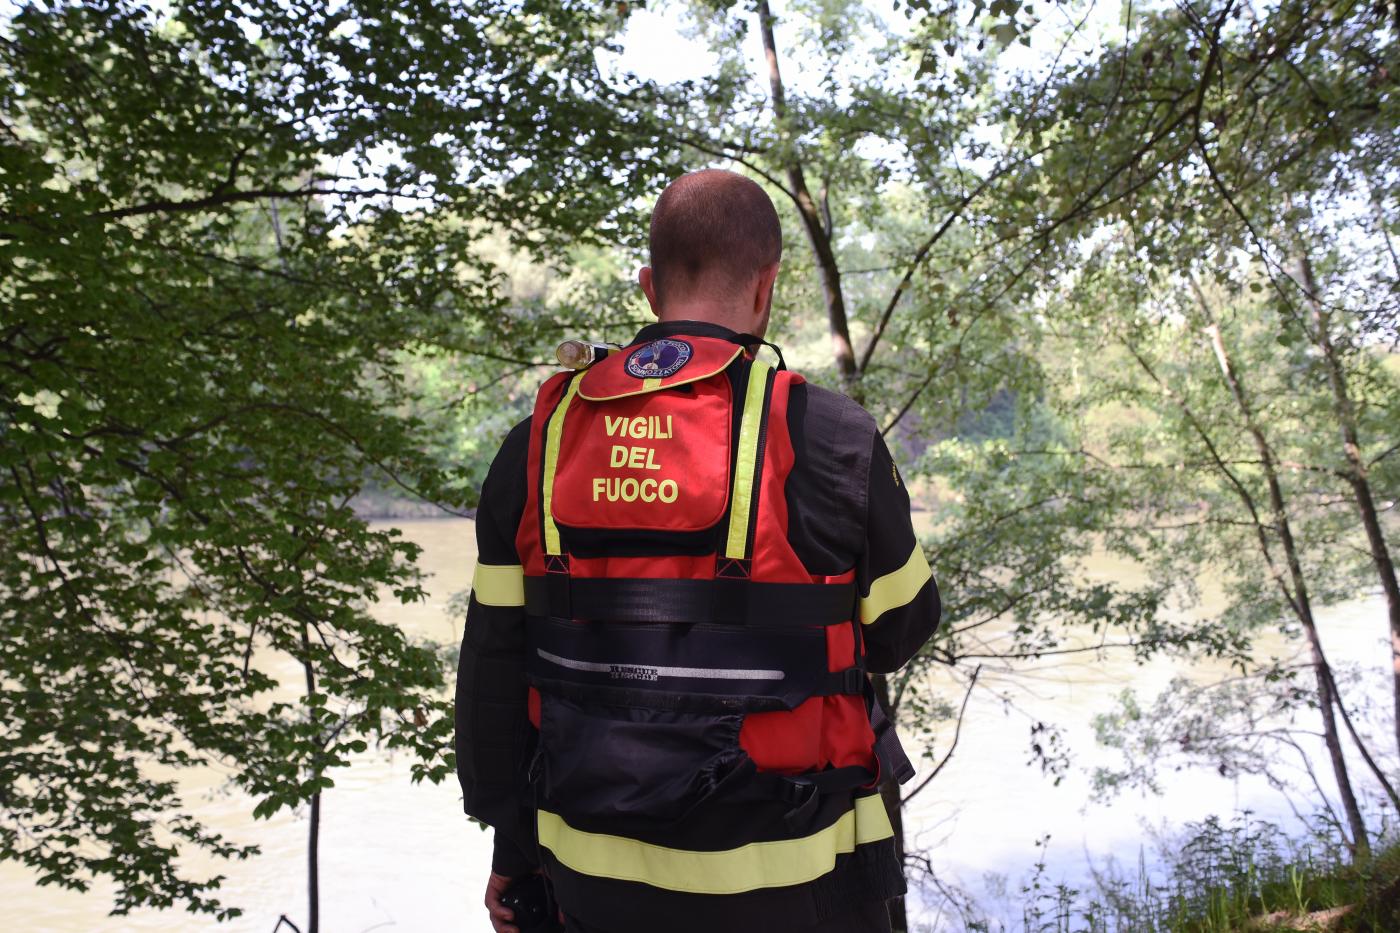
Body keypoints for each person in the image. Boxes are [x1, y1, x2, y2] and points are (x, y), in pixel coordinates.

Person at [456, 169, 940, 933]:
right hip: (796, 875)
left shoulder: (537, 445)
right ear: (767, 284)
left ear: (650, 287)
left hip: (591, 875)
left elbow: (492, 668)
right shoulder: (830, 434)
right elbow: (900, 628)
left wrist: (512, 851)